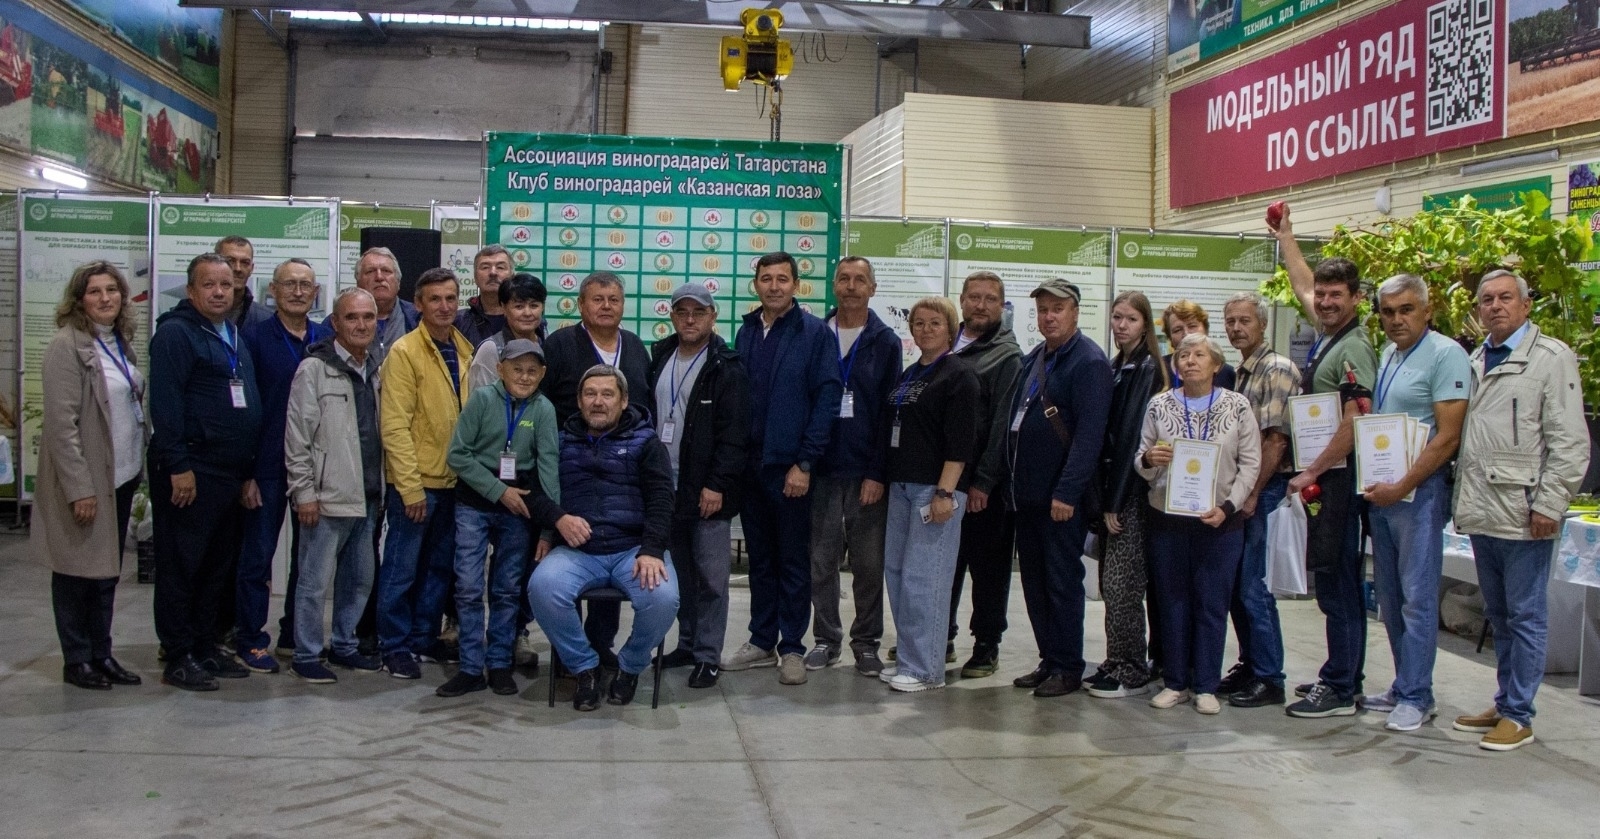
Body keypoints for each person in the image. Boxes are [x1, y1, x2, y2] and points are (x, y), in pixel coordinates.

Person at [1452, 269, 1590, 750]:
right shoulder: (1474, 360)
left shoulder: (1550, 358)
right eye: (1487, 299)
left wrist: (1550, 503)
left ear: (1526, 305)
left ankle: (1519, 715)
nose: (1495, 306)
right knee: (1500, 614)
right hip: (1483, 510)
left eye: (1506, 298)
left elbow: (1571, 442)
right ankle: (1506, 699)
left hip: (1525, 511)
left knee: (1526, 616)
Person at [1274, 203, 1379, 719]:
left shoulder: (1355, 347)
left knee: (1337, 585)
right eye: (1323, 294)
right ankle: (1345, 675)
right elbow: (1300, 284)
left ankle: (1339, 687)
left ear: (1357, 299)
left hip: (1339, 483)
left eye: (1337, 295)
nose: (1325, 301)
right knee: (1332, 581)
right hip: (1324, 480)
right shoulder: (1329, 334)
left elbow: (1358, 417)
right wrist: (1286, 236)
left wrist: (1313, 470)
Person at [528, 365, 679, 711]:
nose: (598, 401)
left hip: (634, 550)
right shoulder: (559, 441)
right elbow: (534, 491)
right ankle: (585, 668)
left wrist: (652, 549)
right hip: (578, 551)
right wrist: (558, 519)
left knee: (663, 597)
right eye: (590, 394)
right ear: (579, 400)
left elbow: (662, 498)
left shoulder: (646, 442)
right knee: (542, 587)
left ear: (623, 401)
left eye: (607, 394)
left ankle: (630, 667)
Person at [722, 252, 842, 686]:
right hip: (751, 468)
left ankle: (792, 646)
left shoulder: (815, 333)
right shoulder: (747, 331)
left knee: (793, 560)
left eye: (782, 279)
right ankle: (761, 641)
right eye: (766, 279)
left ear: (796, 285)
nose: (774, 286)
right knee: (760, 560)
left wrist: (805, 462)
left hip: (790, 469)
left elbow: (827, 400)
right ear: (756, 284)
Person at [1358, 273, 1471, 732]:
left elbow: (1448, 437)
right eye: (1388, 312)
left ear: (1427, 310)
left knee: (1417, 598)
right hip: (1384, 494)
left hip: (1419, 493)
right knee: (1389, 597)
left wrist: (1403, 484)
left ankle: (1418, 696)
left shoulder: (1446, 354)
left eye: (1406, 310)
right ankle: (1404, 683)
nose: (1396, 319)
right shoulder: (1389, 354)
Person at [148, 253, 263, 690]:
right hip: (192, 470)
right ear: (191, 290)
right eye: (209, 285)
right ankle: (178, 655)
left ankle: (204, 645)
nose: (219, 292)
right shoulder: (176, 334)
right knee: (183, 566)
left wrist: (247, 470)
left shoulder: (230, 333)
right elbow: (166, 405)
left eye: (226, 285)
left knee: (216, 566)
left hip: (228, 473)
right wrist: (178, 465)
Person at [33, 261, 147, 690]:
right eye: (95, 291)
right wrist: (79, 489)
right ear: (79, 300)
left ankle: (102, 653)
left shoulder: (118, 341)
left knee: (105, 573)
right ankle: (77, 658)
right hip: (86, 481)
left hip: (121, 475)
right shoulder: (67, 346)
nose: (105, 298)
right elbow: (61, 428)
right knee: (75, 572)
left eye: (112, 290)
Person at [1136, 333, 1261, 715]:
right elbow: (1140, 457)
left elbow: (1250, 463)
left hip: (1219, 521)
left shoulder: (1237, 406)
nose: (1190, 361)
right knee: (1172, 601)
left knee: (1212, 602)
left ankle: (1206, 684)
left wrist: (1229, 506)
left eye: (1199, 355)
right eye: (1183, 355)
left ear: (1216, 364)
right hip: (1168, 519)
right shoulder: (1160, 405)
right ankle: (1175, 682)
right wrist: (1149, 460)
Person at [539, 271, 653, 668]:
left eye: (613, 299)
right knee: (567, 562)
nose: (606, 306)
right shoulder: (559, 345)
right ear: (580, 305)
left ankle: (600, 646)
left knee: (614, 548)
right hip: (570, 473)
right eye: (597, 299)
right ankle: (569, 657)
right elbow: (540, 405)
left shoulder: (635, 346)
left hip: (623, 474)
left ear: (623, 305)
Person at [439, 339, 563, 698]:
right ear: (500, 369)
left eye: (532, 371)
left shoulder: (544, 409)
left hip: (518, 508)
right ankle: (469, 667)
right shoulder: (481, 400)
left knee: (507, 588)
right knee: (468, 586)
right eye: (516, 369)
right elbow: (458, 455)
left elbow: (549, 468)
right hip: (474, 503)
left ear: (542, 374)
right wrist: (498, 491)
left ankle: (498, 664)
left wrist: (548, 528)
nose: (524, 377)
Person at [1006, 278, 1111, 698]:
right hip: (1028, 495)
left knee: (1062, 582)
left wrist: (1067, 493)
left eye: (1057, 309)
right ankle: (1049, 659)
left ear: (1075, 312)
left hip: (1059, 500)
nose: (1049, 316)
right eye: (1043, 309)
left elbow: (1089, 437)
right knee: (1035, 583)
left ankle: (1068, 667)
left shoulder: (1088, 362)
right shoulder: (1037, 357)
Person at [647, 283, 749, 689]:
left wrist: (717, 485)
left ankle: (708, 655)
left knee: (711, 579)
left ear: (713, 317)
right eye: (682, 312)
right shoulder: (660, 356)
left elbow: (735, 435)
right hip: (665, 488)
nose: (690, 319)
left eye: (699, 312)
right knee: (682, 575)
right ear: (672, 316)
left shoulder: (727, 366)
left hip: (707, 491)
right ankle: (687, 643)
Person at [876, 297, 980, 693]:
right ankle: (909, 657)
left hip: (934, 491)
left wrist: (944, 492)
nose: (925, 329)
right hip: (902, 487)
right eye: (919, 323)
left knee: (926, 580)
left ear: (951, 329)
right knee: (898, 575)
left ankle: (925, 669)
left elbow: (961, 443)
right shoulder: (910, 374)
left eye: (935, 323)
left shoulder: (960, 376)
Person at [375, 267, 474, 680]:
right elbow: (394, 425)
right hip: (417, 486)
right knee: (401, 570)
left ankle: (422, 637)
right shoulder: (404, 352)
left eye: (450, 298)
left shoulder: (465, 349)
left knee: (438, 569)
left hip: (456, 482)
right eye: (435, 299)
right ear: (418, 304)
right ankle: (393, 646)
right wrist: (409, 486)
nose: (444, 306)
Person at [234, 259, 331, 673]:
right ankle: (250, 638)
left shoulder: (326, 339)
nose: (297, 291)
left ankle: (294, 634)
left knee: (307, 559)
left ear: (315, 292)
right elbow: (243, 409)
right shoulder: (253, 339)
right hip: (268, 466)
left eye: (305, 285)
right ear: (272, 290)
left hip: (313, 467)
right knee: (258, 556)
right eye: (289, 284)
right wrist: (247, 472)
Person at [283, 288, 385, 683]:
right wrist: (304, 492)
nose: (361, 325)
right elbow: (297, 437)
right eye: (351, 317)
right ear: (335, 323)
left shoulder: (377, 367)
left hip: (368, 495)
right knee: (313, 582)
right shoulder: (314, 369)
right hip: (326, 497)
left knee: (359, 580)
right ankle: (307, 653)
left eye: (368, 317)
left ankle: (344, 645)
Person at [808, 256, 900, 675]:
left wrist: (878, 472)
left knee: (867, 565)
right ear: (833, 285)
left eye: (860, 280)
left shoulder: (886, 341)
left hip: (866, 474)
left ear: (872, 289)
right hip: (822, 470)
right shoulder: (816, 335)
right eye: (844, 278)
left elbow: (889, 413)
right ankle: (826, 640)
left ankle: (866, 643)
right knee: (821, 562)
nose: (851, 286)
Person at [1217, 291, 1299, 708]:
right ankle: (1250, 665)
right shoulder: (1241, 372)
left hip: (1263, 491)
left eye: (1244, 320)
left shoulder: (1276, 368)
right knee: (1238, 586)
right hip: (1243, 490)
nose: (1236, 328)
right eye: (1230, 321)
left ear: (1263, 324)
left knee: (1254, 586)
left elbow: (1276, 440)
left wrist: (1250, 494)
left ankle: (1270, 677)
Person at [1087, 290, 1168, 700]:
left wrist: (1115, 500)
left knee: (1122, 584)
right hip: (1111, 488)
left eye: (1131, 319)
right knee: (1110, 581)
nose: (1121, 325)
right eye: (1117, 317)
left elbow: (1133, 439)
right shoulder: (1118, 364)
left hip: (1131, 492)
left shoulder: (1149, 368)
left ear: (1145, 324)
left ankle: (1132, 667)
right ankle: (1116, 657)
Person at [946, 270, 1022, 679]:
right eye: (974, 297)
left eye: (990, 299)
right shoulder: (946, 344)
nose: (981, 305)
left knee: (988, 570)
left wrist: (985, 481)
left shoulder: (1007, 357)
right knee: (944, 564)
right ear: (961, 300)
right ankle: (940, 636)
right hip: (944, 482)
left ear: (1001, 306)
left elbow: (1002, 425)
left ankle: (986, 644)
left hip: (983, 487)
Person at [339, 247, 419, 366]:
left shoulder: (419, 318)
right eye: (370, 271)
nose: (379, 277)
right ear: (358, 283)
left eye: (386, 271)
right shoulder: (338, 320)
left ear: (398, 282)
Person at [468, 272, 547, 390]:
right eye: (519, 306)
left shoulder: (548, 342)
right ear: (504, 308)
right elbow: (481, 398)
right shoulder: (491, 349)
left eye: (534, 306)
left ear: (543, 307)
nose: (527, 313)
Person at [1161, 300, 1235, 390]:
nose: (1186, 334)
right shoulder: (1157, 369)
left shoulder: (1227, 373)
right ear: (1170, 338)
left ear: (1206, 330)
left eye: (1192, 326)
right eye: (1177, 330)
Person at [455, 245, 515, 346]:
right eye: (485, 267)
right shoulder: (458, 322)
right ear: (475, 276)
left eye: (500, 267)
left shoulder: (527, 319)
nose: (493, 272)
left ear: (512, 276)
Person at [215, 235, 274, 328]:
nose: (238, 268)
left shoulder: (267, 320)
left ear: (251, 268)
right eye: (230, 261)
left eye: (245, 262)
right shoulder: (196, 314)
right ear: (215, 264)